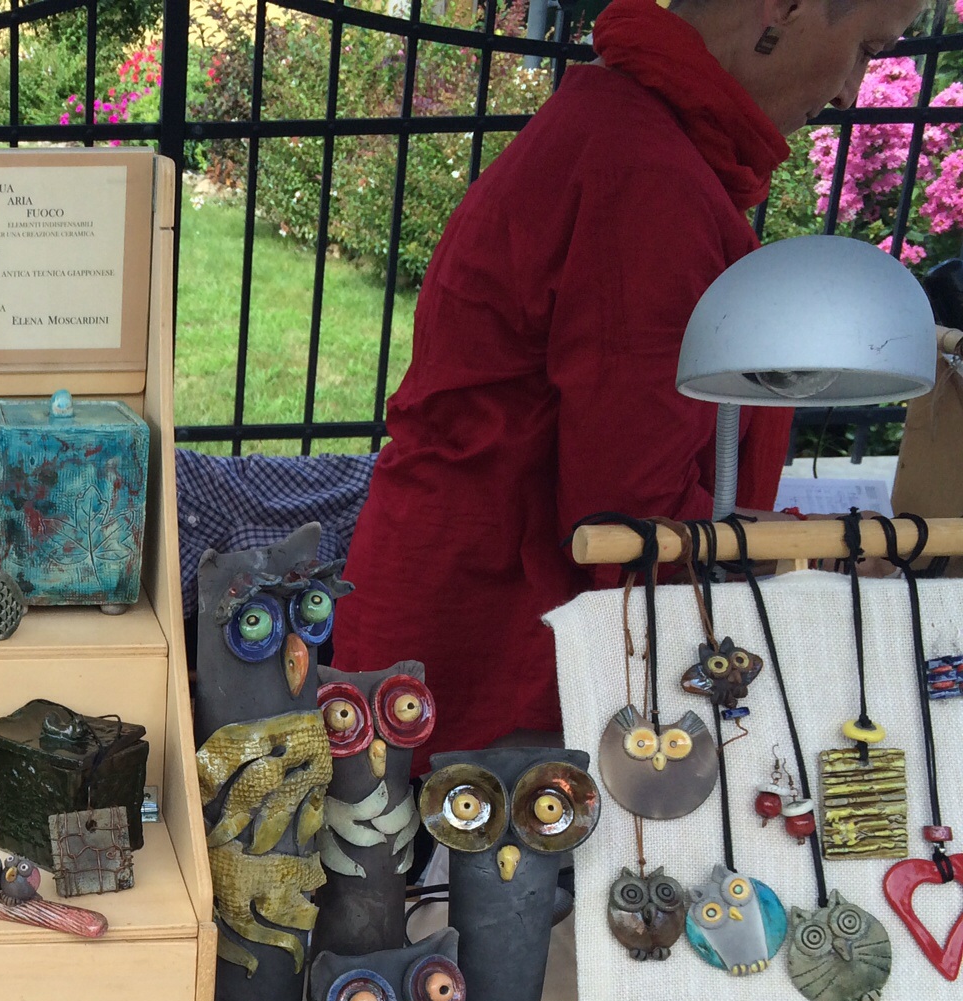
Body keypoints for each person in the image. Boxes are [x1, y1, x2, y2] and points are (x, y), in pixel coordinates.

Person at [333, 0, 926, 754]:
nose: (850, 91)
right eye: (867, 48)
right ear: (785, 8)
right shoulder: (645, 174)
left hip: (473, 631)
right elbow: (630, 519)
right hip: (497, 665)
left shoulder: (627, 131)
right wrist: (831, 557)